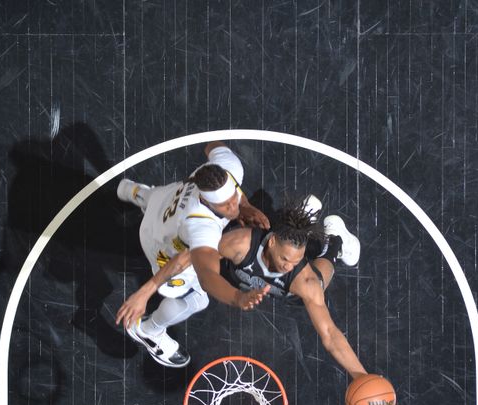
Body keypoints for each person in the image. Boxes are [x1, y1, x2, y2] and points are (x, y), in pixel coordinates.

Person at [117, 197, 367, 378]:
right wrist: (145, 292)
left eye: (295, 261)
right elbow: (186, 257)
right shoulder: (239, 244)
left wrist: (360, 375)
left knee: (314, 288)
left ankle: (335, 240)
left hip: (286, 287)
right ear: (271, 243)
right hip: (235, 275)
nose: (289, 266)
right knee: (199, 292)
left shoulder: (302, 279)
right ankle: (304, 215)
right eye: (284, 259)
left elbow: (330, 334)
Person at [116, 142, 271, 368]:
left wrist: (244, 204)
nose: (232, 208)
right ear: (206, 201)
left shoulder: (226, 168)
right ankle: (149, 330)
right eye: (225, 206)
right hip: (159, 244)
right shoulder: (200, 227)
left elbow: (212, 146)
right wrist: (144, 293)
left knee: (155, 197)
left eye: (233, 199)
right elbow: (194, 268)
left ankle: (133, 191)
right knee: (196, 299)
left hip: (164, 200)